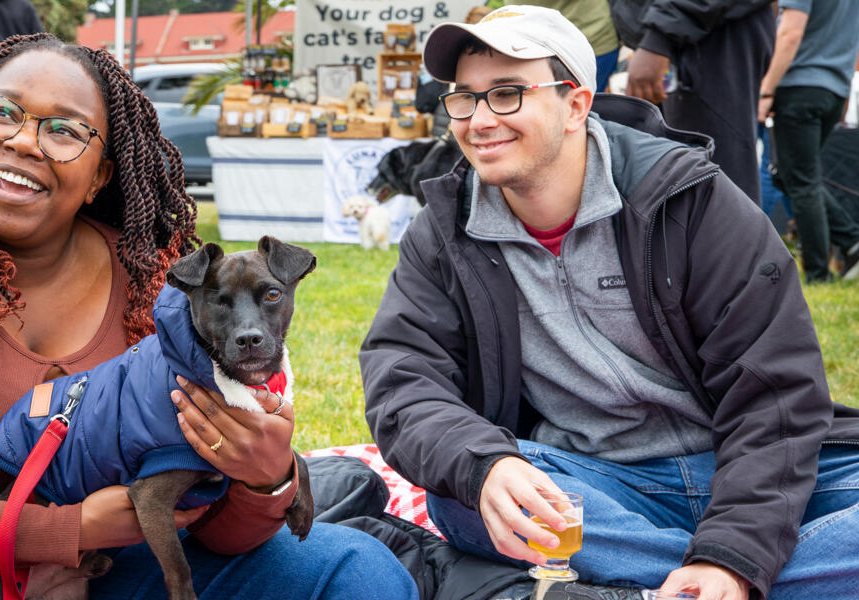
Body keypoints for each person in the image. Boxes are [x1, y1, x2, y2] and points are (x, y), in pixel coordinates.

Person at [0, 33, 416, 599]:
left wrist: (263, 479)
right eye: (3, 113)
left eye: (63, 130)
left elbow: (212, 530)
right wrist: (71, 530)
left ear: (100, 174)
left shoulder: (157, 282)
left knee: (354, 569)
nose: (23, 141)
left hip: (114, 572)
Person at [361, 6, 859, 600]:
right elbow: (403, 376)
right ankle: (725, 579)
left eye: (507, 93)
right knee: (466, 496)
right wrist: (489, 467)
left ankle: (680, 578)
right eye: (464, 98)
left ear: (575, 105)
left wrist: (730, 554)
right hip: (594, 482)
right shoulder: (444, 231)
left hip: (739, 461)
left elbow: (777, 397)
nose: (479, 119)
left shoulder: (689, 201)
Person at [620, 0, 774, 204]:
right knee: (675, 188)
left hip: (704, 35)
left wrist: (658, 38)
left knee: (715, 191)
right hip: (673, 32)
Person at [758, 0, 859, 283]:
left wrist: (765, 91)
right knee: (795, 176)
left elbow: (790, 33)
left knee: (800, 181)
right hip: (834, 90)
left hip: (800, 87)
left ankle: (818, 274)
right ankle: (851, 240)